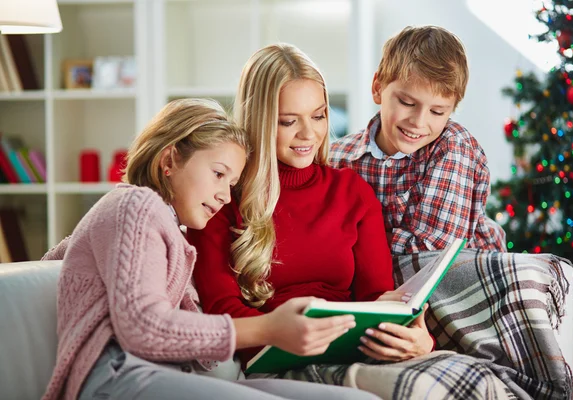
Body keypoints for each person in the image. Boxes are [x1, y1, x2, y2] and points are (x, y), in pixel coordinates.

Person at [40, 98, 380, 400]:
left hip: (172, 375)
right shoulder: (136, 203)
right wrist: (270, 328)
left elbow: (59, 260)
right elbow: (144, 328)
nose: (225, 196)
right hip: (118, 377)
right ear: (169, 159)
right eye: (218, 174)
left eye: (232, 184)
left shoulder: (166, 229)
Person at [189, 44, 435, 370]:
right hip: (275, 360)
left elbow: (376, 296)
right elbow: (223, 310)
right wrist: (283, 335)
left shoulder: (352, 192)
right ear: (259, 121)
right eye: (289, 121)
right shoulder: (222, 197)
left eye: (318, 116)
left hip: (354, 353)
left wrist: (414, 336)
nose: (309, 133)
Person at [330, 25, 507, 257]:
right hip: (384, 284)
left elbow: (433, 252)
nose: (418, 121)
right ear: (377, 88)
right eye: (407, 103)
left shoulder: (453, 147)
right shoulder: (336, 157)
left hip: (469, 276)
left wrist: (350, 239)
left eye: (437, 112)